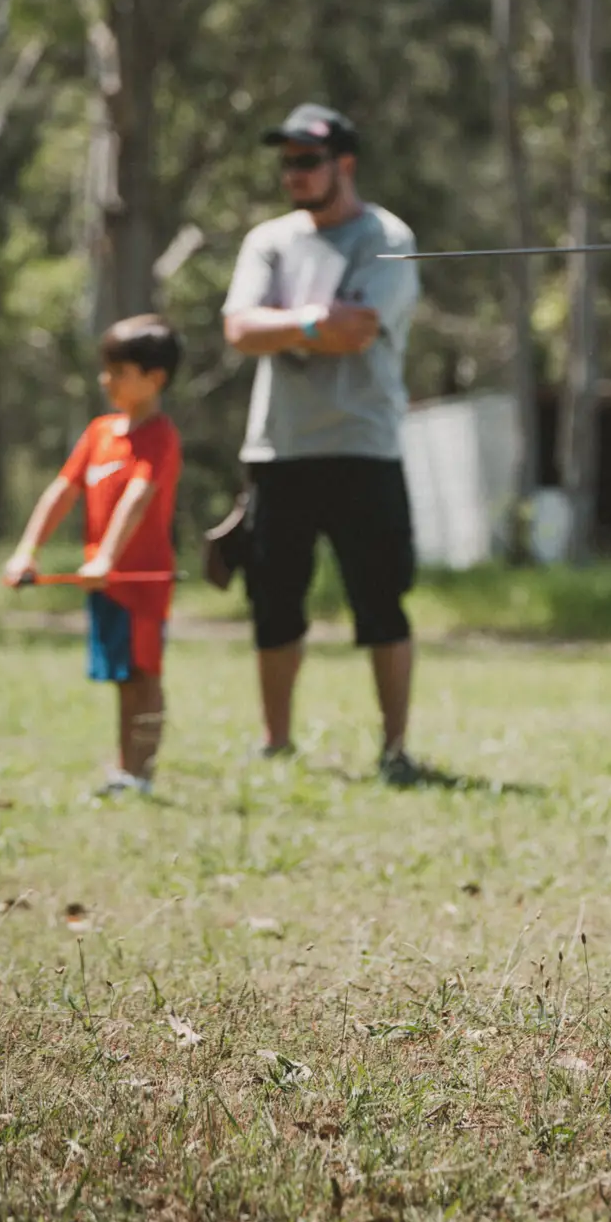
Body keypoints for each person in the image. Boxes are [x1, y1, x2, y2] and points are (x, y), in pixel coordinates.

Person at [221, 103, 425, 784]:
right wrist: (312, 321)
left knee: (381, 602)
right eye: (287, 162)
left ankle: (395, 750)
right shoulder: (268, 240)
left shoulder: (387, 236)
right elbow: (239, 330)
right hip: (279, 451)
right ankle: (275, 742)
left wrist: (282, 324)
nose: (294, 174)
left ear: (345, 163)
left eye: (308, 161)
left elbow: (358, 330)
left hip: (365, 448)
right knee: (274, 603)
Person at [4, 317, 185, 796]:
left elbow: (138, 497)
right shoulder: (99, 432)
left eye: (118, 372)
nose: (106, 381)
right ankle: (126, 770)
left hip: (138, 584)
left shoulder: (160, 435)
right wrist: (27, 551)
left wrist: (106, 558)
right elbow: (62, 491)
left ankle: (140, 774)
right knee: (122, 676)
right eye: (106, 370)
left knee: (143, 675)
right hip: (101, 583)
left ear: (155, 378)